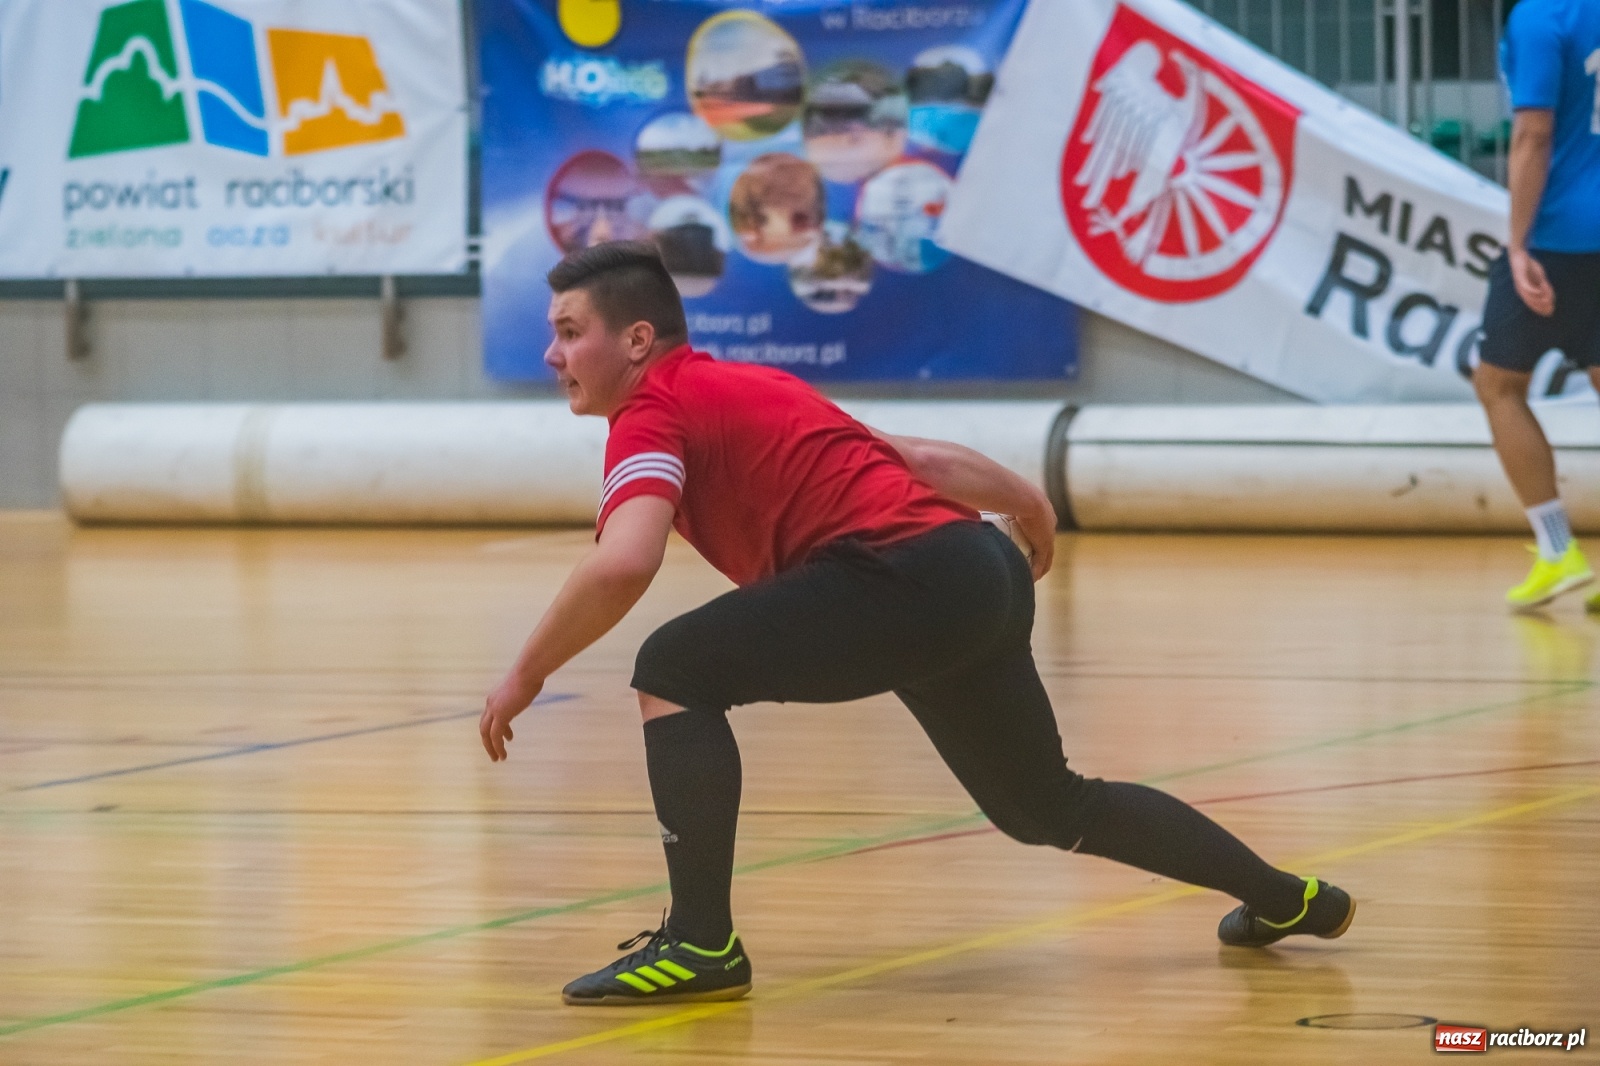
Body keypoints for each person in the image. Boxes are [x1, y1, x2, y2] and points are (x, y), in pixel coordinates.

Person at [479, 241, 1355, 1006]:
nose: (553, 352)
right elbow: (920, 460)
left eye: (567, 330)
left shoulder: (653, 409)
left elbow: (626, 559)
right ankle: (1285, 896)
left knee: (674, 667)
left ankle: (702, 941)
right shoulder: (750, 386)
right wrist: (1030, 505)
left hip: (900, 578)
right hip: (977, 570)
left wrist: (526, 672)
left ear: (636, 341)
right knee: (1044, 805)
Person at [1472, 0, 1600, 610]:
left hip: (1560, 236)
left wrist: (1518, 245)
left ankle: (1556, 550)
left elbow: (1534, 133)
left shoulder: (1541, 17)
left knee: (1499, 385)